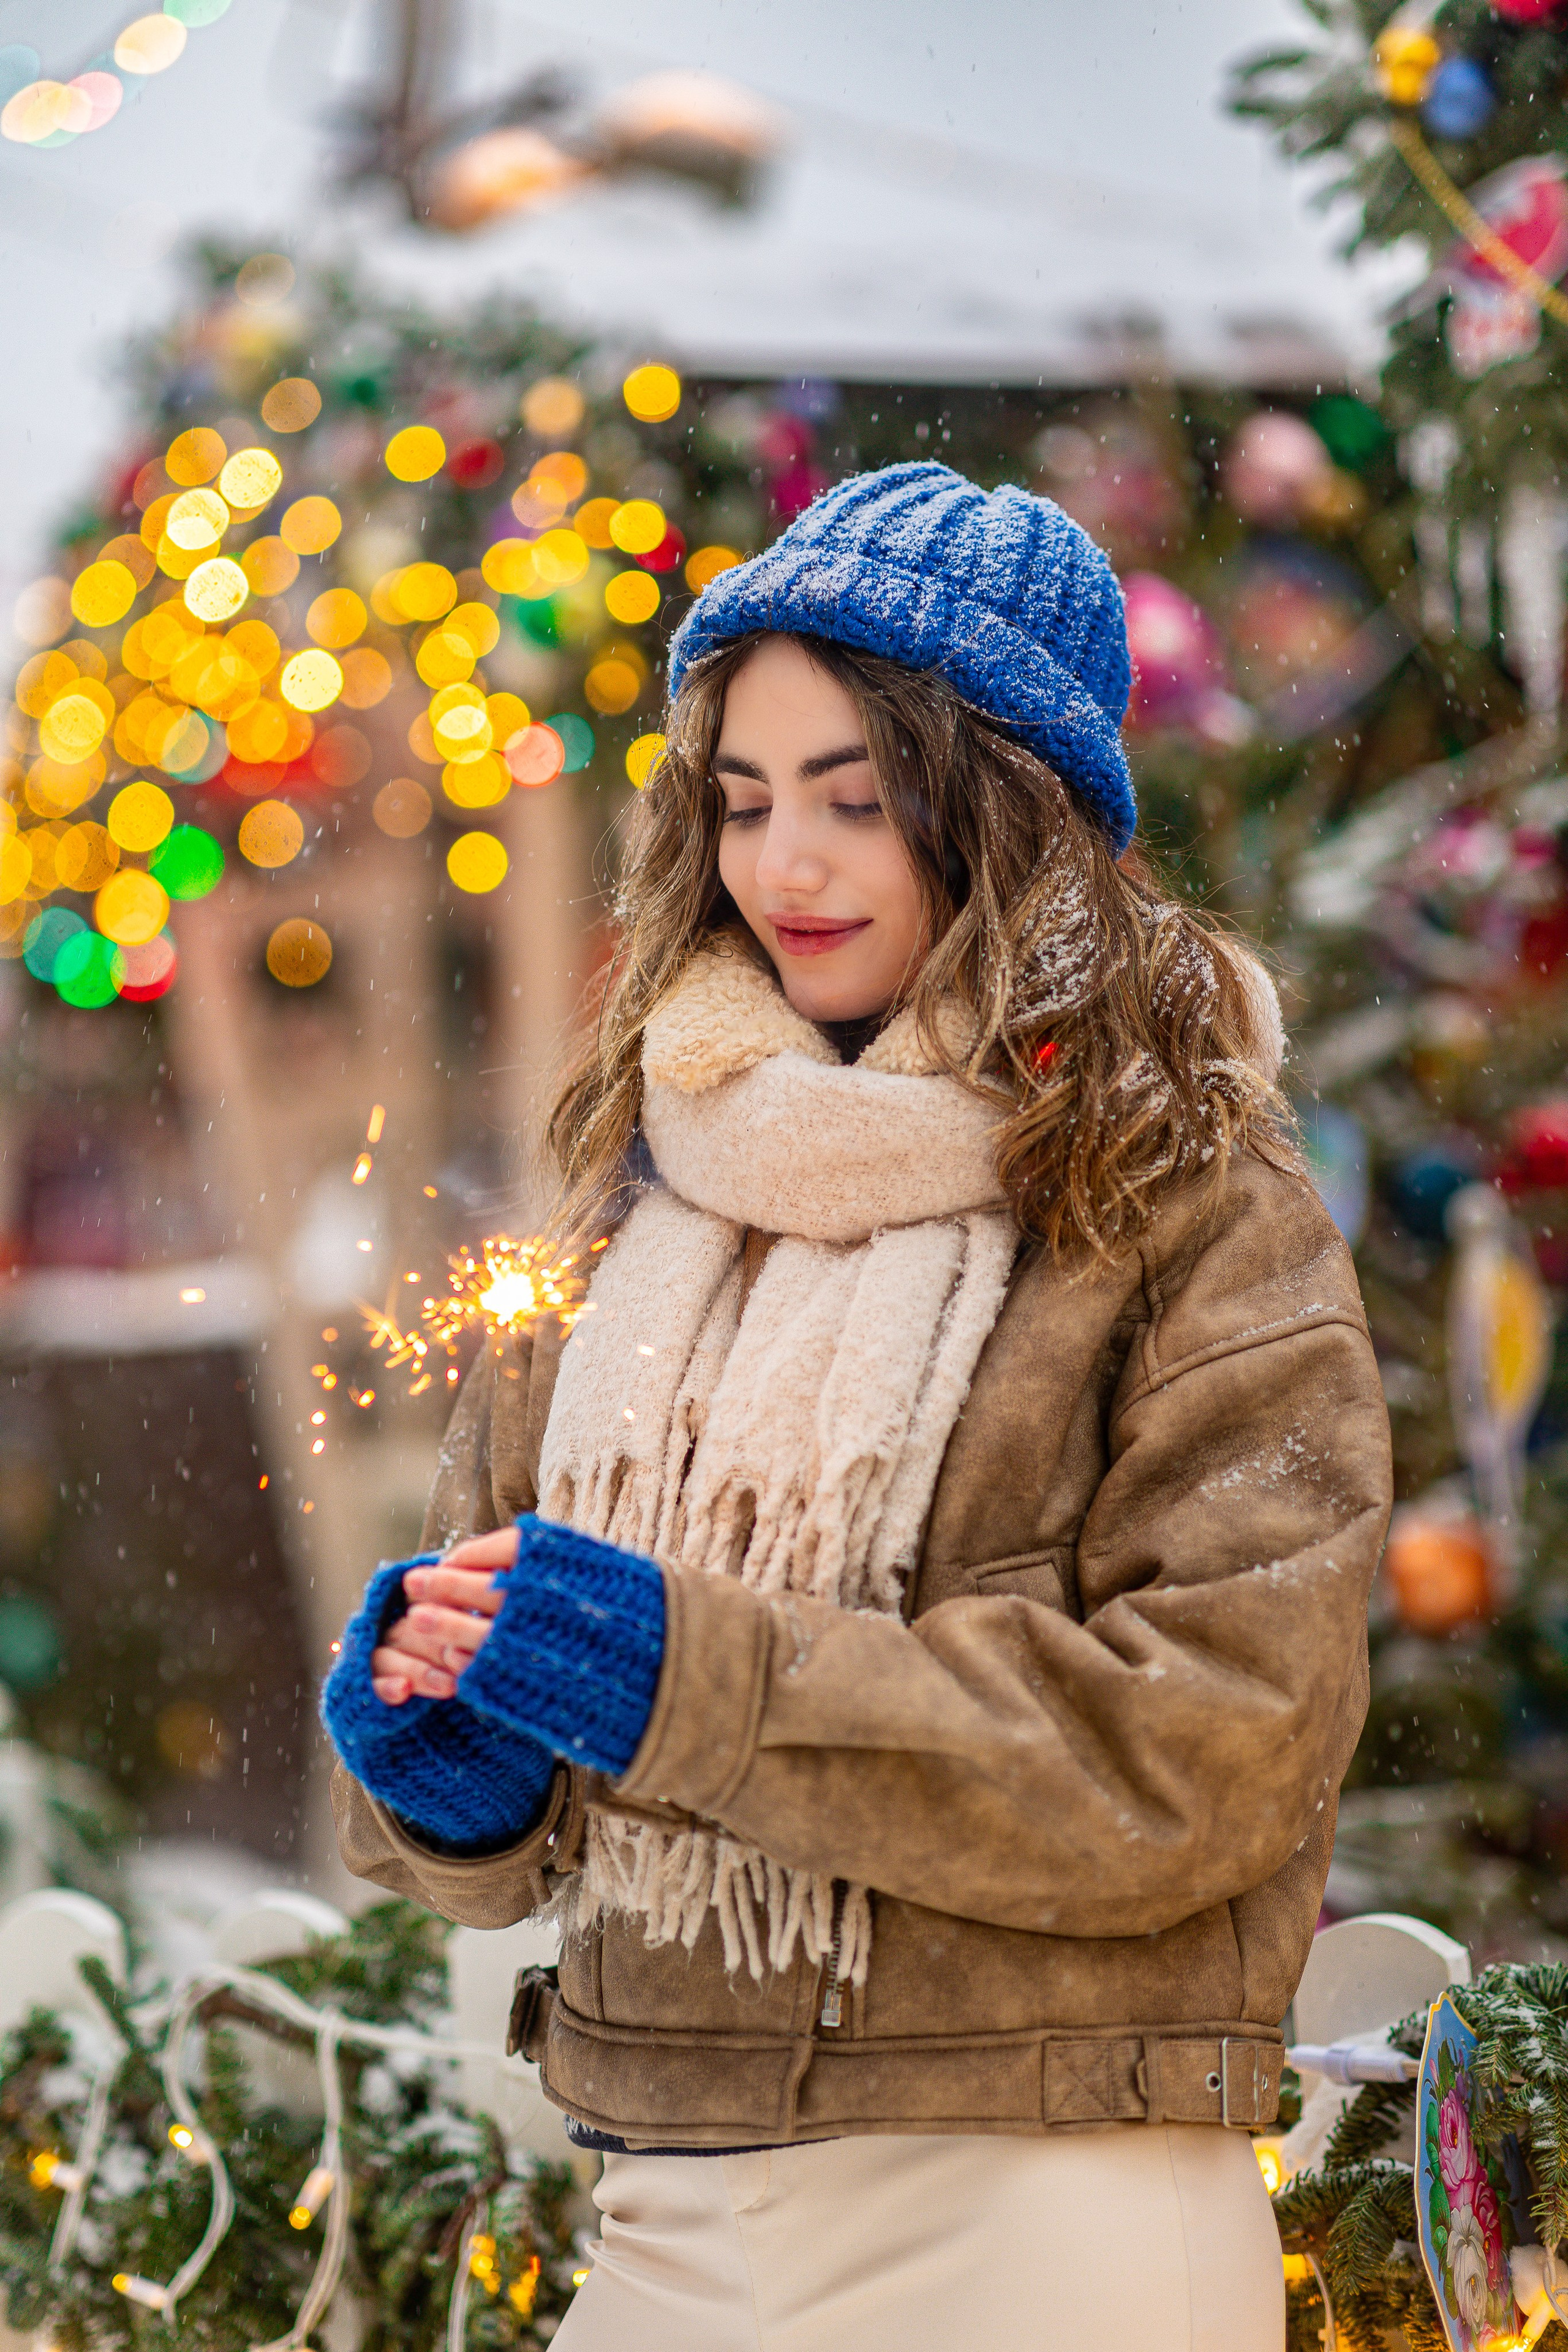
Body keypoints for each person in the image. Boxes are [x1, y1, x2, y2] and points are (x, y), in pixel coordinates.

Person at [323, 462, 1392, 2351]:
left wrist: (693, 1687)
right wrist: (453, 1770)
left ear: (1004, 810)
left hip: (1052, 2199)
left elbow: (1211, 1750)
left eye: (854, 797)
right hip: (667, 2186)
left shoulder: (1193, 1210)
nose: (781, 867)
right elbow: (532, 1755)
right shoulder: (634, 1201)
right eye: (740, 800)